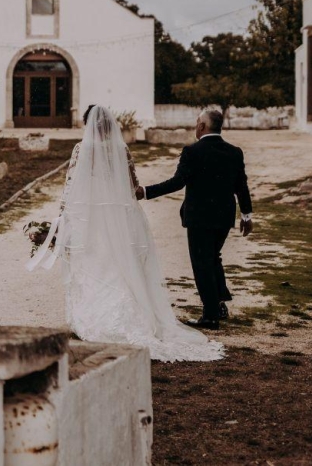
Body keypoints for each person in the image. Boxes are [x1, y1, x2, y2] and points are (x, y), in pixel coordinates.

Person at [28, 105, 223, 362]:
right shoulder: (121, 149)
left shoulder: (80, 150)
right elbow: (132, 186)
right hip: (118, 218)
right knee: (119, 266)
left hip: (90, 219)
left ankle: (90, 317)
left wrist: (61, 219)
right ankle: (126, 314)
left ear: (89, 126)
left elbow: (70, 189)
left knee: (93, 265)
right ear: (110, 126)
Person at [136, 108, 253, 331]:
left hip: (200, 217)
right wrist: (246, 215)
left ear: (202, 127)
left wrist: (145, 191)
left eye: (197, 122)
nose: (195, 126)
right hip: (224, 216)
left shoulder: (192, 151)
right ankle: (218, 305)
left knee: (202, 263)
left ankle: (210, 316)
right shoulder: (234, 152)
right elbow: (242, 186)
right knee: (213, 257)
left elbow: (177, 182)